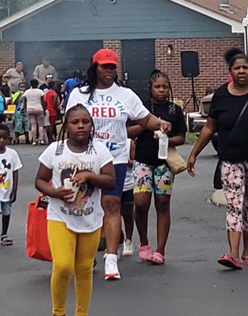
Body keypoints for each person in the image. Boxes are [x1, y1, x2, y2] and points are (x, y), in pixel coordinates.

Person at [66, 48, 171, 280]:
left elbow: (144, 118)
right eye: (105, 67)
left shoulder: (125, 95)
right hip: (83, 159)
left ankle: (111, 259)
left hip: (115, 159)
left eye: (113, 67)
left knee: (112, 204)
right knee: (83, 207)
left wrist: (161, 123)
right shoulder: (79, 94)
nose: (110, 71)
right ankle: (85, 252)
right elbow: (69, 126)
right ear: (94, 68)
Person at [187, 48, 248, 270]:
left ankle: (247, 252)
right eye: (237, 68)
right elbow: (209, 127)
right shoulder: (221, 96)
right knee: (235, 204)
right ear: (230, 72)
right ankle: (233, 254)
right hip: (230, 161)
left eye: (245, 67)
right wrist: (194, 153)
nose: (242, 71)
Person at [34, 104, 115, 316]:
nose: (81, 126)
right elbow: (39, 180)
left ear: (92, 125)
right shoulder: (54, 150)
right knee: (63, 265)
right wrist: (54, 192)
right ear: (66, 126)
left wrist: (89, 175)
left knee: (84, 269)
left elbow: (110, 181)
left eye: (85, 122)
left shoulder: (99, 151)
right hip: (59, 216)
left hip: (90, 219)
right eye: (75, 122)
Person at [129, 70, 186, 265]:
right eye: (157, 87)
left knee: (162, 204)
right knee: (141, 203)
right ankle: (144, 243)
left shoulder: (174, 110)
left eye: (165, 87)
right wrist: (147, 125)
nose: (161, 90)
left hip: (164, 163)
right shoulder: (142, 108)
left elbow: (182, 138)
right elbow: (129, 131)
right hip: (143, 160)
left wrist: (167, 138)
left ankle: (160, 250)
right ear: (150, 88)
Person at [120, 138, 136, 257]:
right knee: (111, 214)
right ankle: (113, 244)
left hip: (128, 183)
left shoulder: (128, 142)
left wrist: (126, 161)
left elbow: (135, 162)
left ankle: (128, 240)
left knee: (128, 214)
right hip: (111, 184)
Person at [23, 78, 46, 145]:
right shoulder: (40, 92)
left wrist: (25, 108)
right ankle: (41, 140)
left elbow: (25, 101)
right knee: (40, 125)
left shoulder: (27, 92)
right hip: (39, 108)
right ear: (37, 84)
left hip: (30, 109)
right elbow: (42, 101)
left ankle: (34, 140)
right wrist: (44, 110)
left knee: (33, 125)